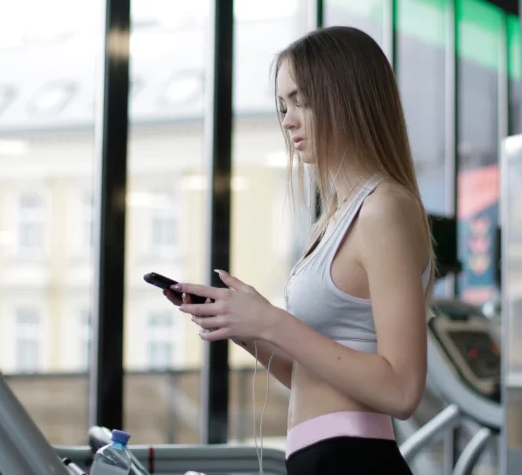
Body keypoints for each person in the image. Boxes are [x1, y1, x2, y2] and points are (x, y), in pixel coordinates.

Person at [164, 26, 434, 475]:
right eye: (283, 105)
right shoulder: (327, 225)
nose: (287, 120)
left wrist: (272, 321)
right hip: (317, 457)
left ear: (347, 97)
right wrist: (248, 327)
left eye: (301, 100)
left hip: (355, 460)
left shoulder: (384, 208)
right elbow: (311, 375)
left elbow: (402, 390)